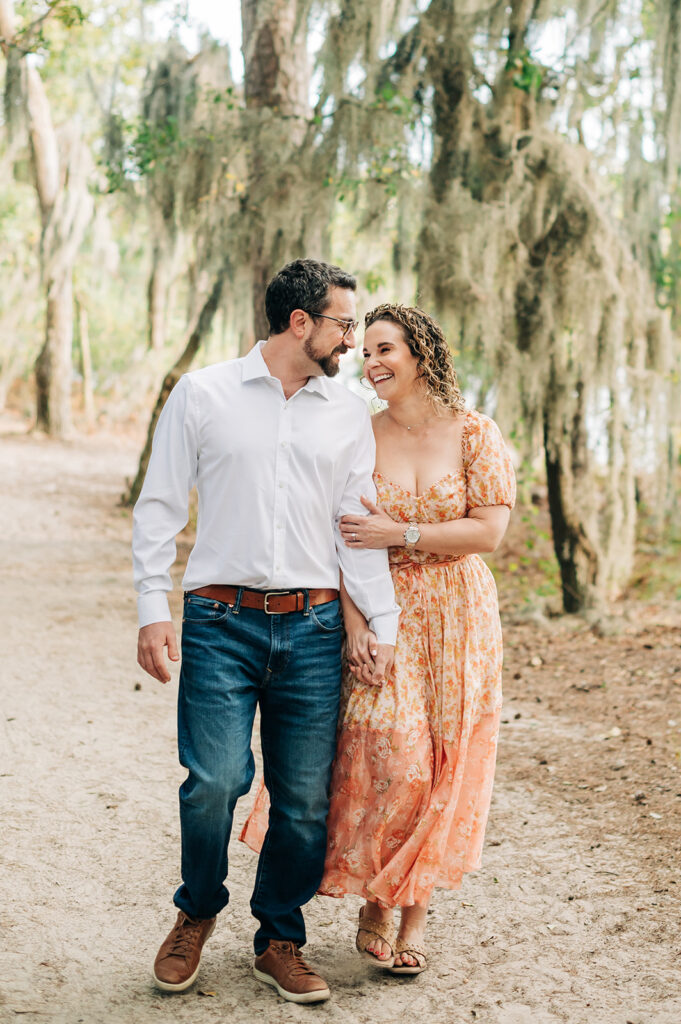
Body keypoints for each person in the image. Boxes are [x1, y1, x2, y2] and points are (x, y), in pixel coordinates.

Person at [132, 259, 399, 1004]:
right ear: (300, 323)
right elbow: (159, 506)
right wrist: (154, 607)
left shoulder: (346, 413)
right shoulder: (205, 393)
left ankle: (279, 937)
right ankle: (196, 911)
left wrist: (383, 623)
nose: (353, 338)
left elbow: (355, 530)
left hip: (313, 628)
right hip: (220, 621)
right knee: (214, 782)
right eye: (345, 323)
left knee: (305, 799)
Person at [319, 303, 516, 973]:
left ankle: (412, 915)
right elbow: (341, 544)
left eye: (384, 349)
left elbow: (487, 532)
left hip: (461, 616)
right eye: (365, 352)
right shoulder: (357, 436)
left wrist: (401, 533)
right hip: (385, 611)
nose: (370, 363)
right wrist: (355, 630)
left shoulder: (473, 432)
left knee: (444, 762)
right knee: (391, 753)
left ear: (420, 353)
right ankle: (375, 892)